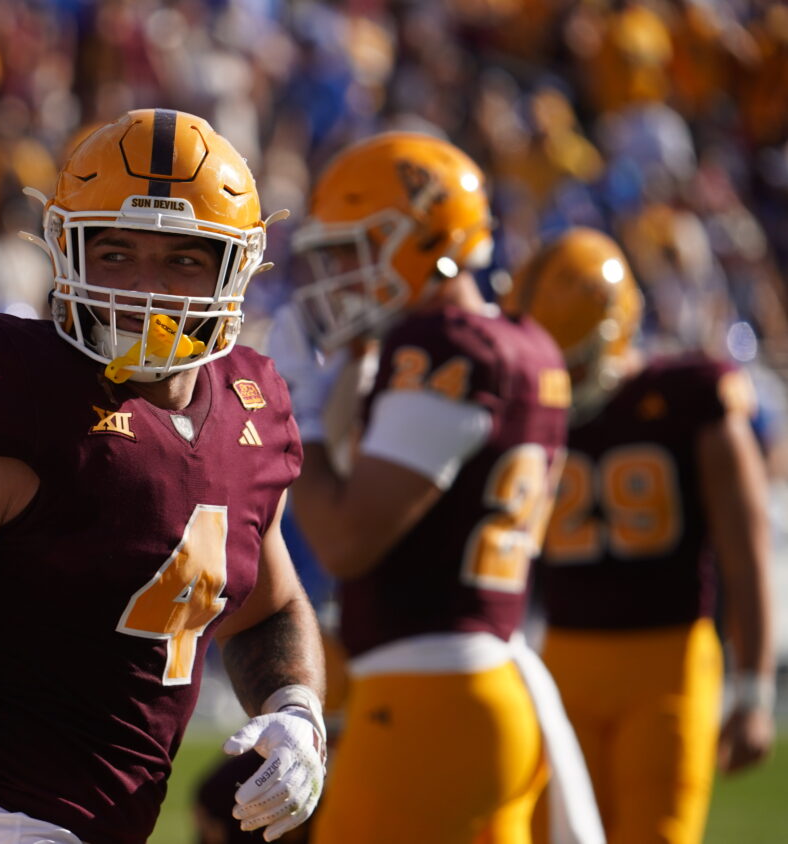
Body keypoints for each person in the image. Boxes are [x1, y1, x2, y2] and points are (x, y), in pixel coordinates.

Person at [0, 108, 327, 844]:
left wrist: (295, 710)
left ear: (236, 268)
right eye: (115, 253)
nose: (144, 287)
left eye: (183, 258)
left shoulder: (252, 405)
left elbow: (270, 609)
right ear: (66, 250)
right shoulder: (10, 388)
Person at [276, 131, 600, 842]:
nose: (339, 274)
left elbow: (347, 540)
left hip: (429, 703)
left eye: (354, 250)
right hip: (485, 688)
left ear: (427, 241)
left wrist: (299, 414)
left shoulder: (445, 347)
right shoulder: (525, 342)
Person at [504, 227, 776, 844]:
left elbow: (746, 549)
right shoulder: (524, 406)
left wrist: (755, 688)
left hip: (670, 660)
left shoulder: (688, 396)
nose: (563, 376)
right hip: (563, 657)